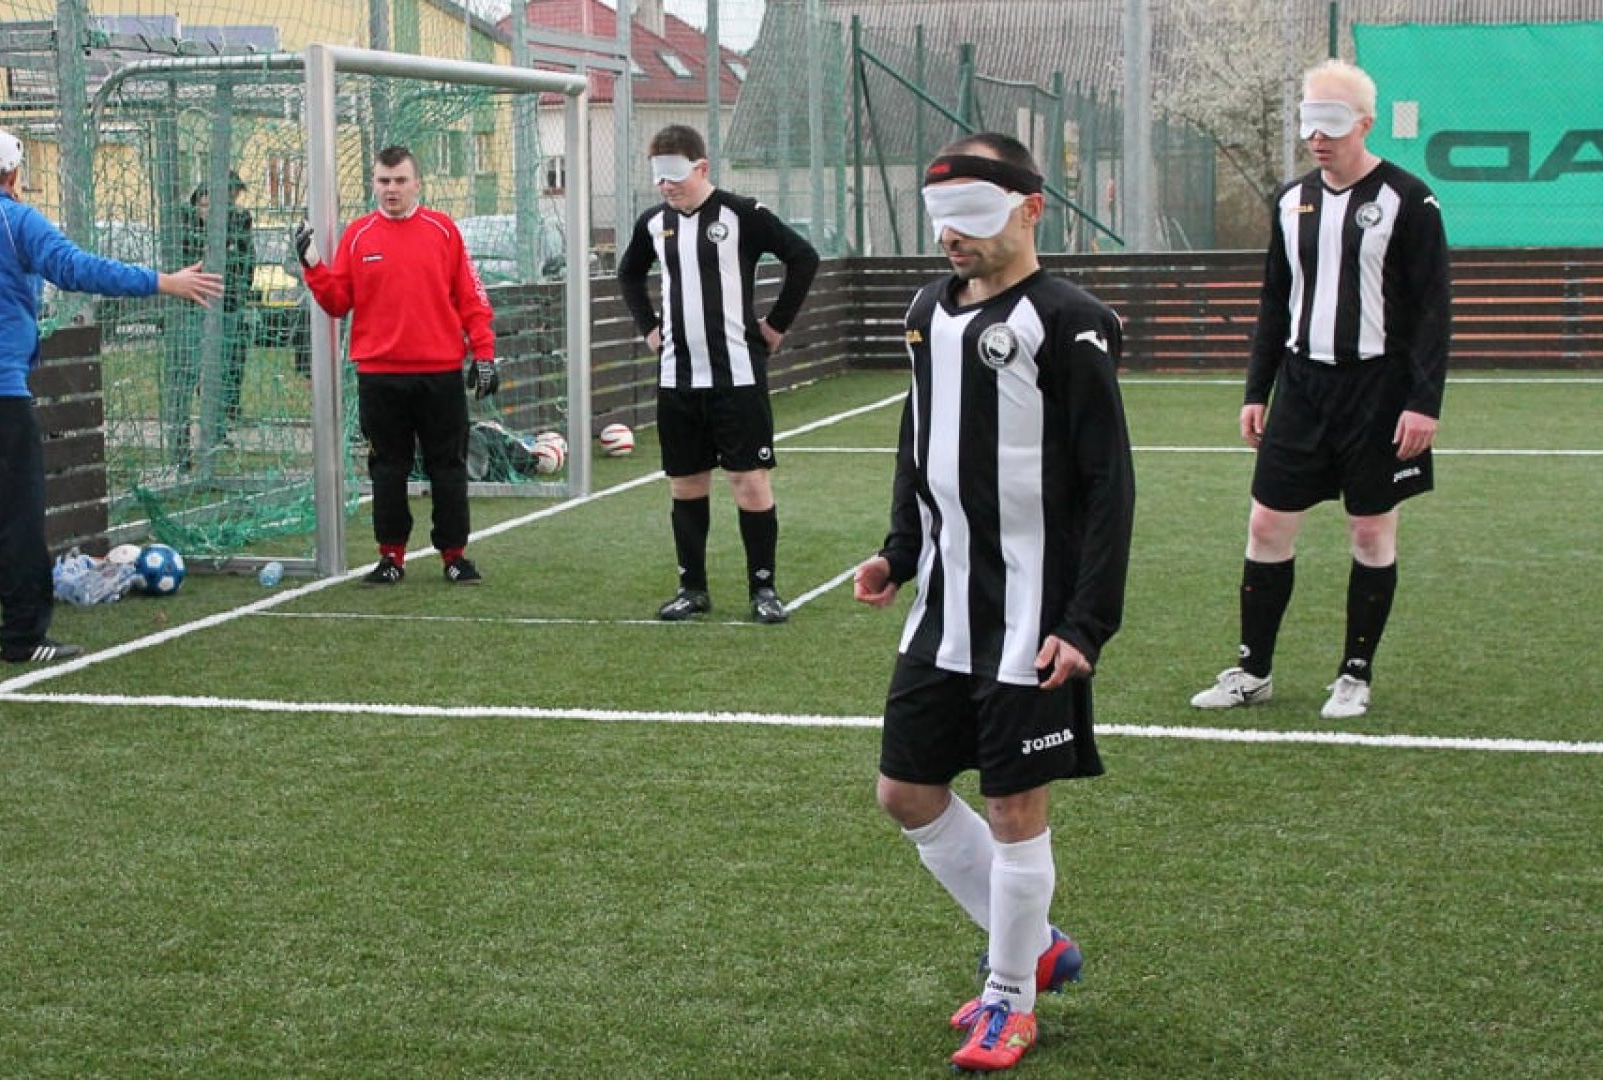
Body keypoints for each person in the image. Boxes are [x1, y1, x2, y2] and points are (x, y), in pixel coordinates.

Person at [852, 133, 1134, 1073]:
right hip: (944, 607)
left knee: (1014, 805)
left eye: (973, 218)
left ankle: (1011, 996)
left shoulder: (1071, 321)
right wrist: (899, 551)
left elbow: (1110, 482)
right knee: (905, 792)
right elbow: (918, 436)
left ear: (1030, 209)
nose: (953, 238)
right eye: (943, 220)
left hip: (1033, 614)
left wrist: (1085, 623)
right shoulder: (926, 312)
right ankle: (1037, 944)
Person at [0, 127, 223, 663]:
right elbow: (76, 269)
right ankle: (23, 638)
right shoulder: (15, 219)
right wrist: (163, 282)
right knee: (15, 519)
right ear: (13, 174)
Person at [1189, 59, 1450, 721]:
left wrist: (1424, 402)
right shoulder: (1290, 200)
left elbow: (1433, 309)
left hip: (1379, 391)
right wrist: (1257, 390)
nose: (1317, 136)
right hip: (1302, 388)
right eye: (1309, 121)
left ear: (1365, 123)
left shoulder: (1410, 200)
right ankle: (1253, 671)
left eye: (1331, 123)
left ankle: (1354, 674)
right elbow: (1274, 300)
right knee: (1266, 524)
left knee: (1370, 533)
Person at [616, 124, 819, 625]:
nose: (666, 185)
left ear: (702, 168)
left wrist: (775, 326)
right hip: (678, 379)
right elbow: (629, 273)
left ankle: (763, 589)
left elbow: (803, 257)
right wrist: (649, 329)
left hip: (737, 378)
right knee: (686, 485)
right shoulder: (653, 223)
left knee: (749, 482)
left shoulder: (741, 214)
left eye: (674, 175)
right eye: (658, 177)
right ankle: (692, 588)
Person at [294, 145, 496, 586]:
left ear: (416, 183)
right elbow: (338, 302)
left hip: (440, 372)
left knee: (448, 467)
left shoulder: (443, 231)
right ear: (374, 184)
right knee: (387, 469)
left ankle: (455, 556)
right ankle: (391, 557)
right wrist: (313, 267)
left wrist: (484, 354)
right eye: (384, 181)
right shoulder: (358, 235)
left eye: (400, 180)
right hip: (379, 375)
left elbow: (471, 297)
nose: (392, 189)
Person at [166, 170, 255, 470]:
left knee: (221, 370)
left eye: (231, 199)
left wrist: (239, 294)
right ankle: (180, 443)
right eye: (205, 204)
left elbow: (246, 262)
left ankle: (216, 431)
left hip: (226, 307)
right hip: (193, 309)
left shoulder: (239, 223)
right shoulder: (185, 226)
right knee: (188, 372)